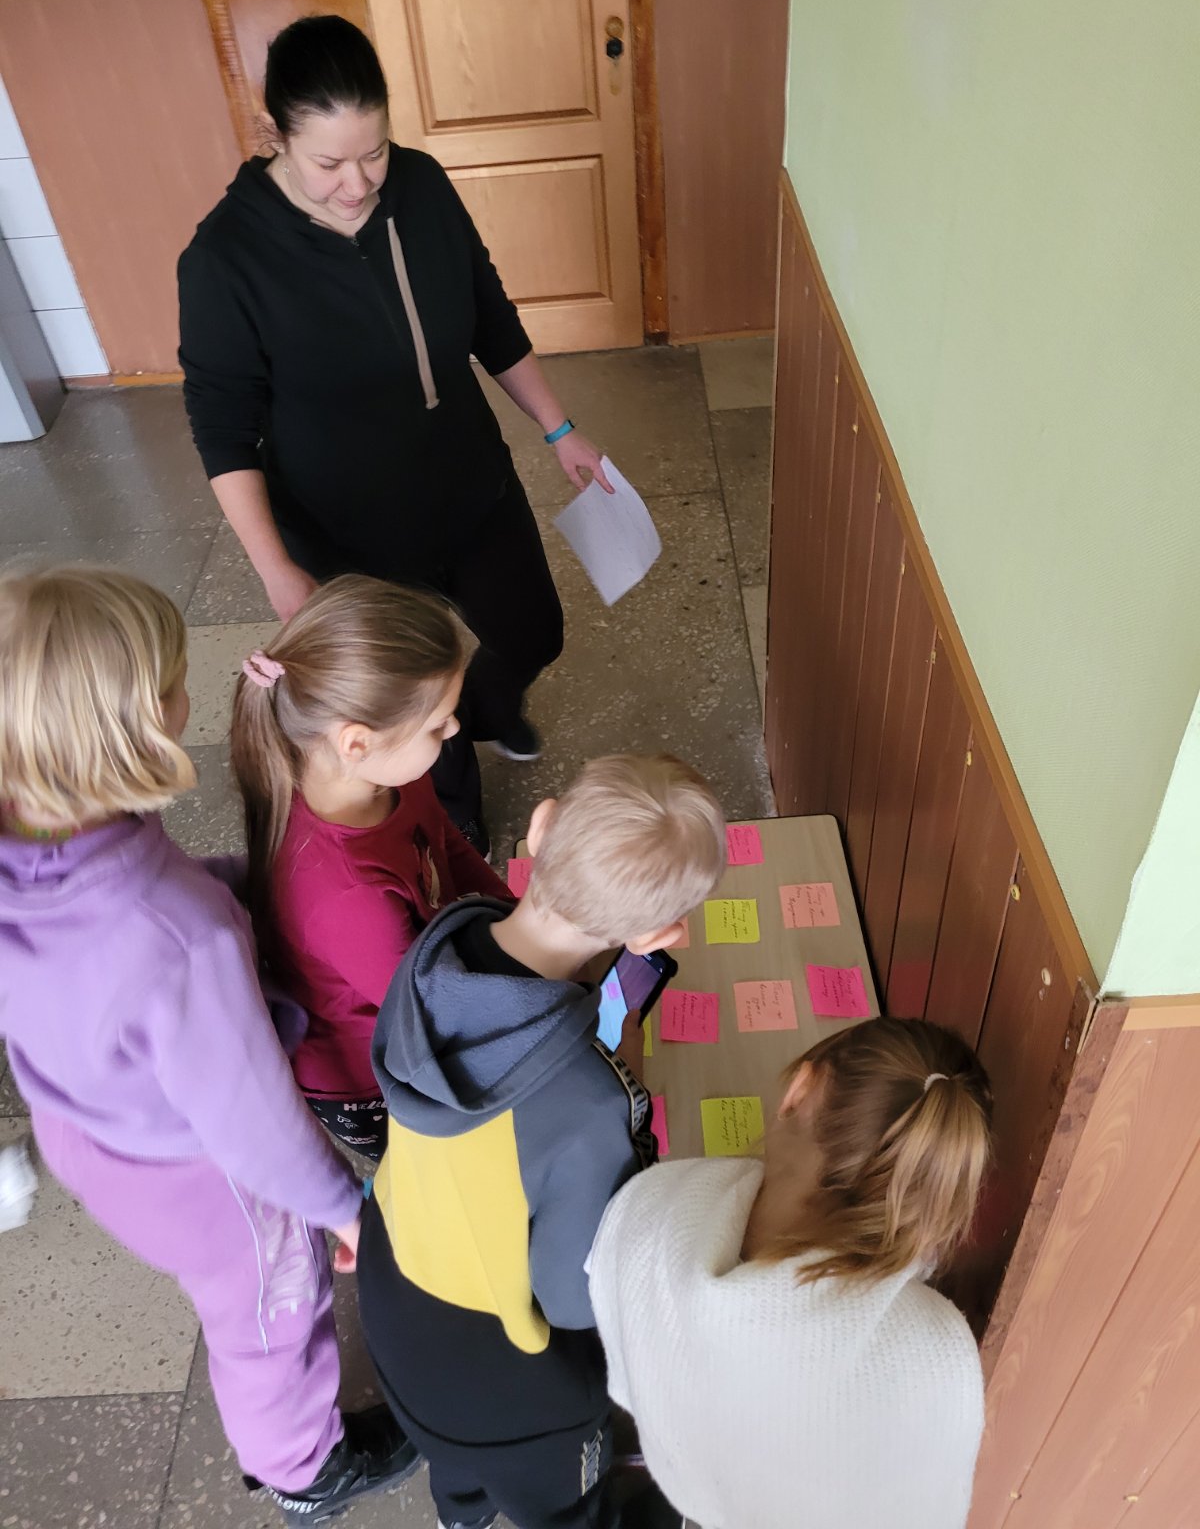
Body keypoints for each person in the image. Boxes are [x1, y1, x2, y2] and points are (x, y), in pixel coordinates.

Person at [0, 566, 419, 1527]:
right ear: (139, 729)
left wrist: (241, 885)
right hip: (198, 1174)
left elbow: (119, 910)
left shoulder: (33, 825)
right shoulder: (180, 941)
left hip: (79, 1117)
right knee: (267, 1312)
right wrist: (340, 1209)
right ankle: (303, 1469)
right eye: (177, 682)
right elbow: (254, 1127)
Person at [178, 12, 613, 853]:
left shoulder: (421, 185)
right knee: (407, 699)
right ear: (274, 132)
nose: (357, 183)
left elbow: (489, 315)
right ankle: (454, 813)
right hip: (349, 529)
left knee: (533, 633)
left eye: (373, 153)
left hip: (469, 482)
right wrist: (279, 572)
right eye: (328, 163)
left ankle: (483, 709)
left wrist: (559, 426)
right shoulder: (225, 259)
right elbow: (222, 429)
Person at [356, 754, 727, 1529]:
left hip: (396, 1298)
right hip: (507, 1386)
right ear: (655, 935)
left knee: (460, 1465)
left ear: (541, 826)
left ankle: (459, 1514)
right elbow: (570, 1297)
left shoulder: (436, 955)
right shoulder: (590, 1108)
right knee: (566, 1508)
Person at [588, 1017, 994, 1529]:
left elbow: (626, 1373)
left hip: (690, 1487)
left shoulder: (651, 1205)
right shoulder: (937, 1353)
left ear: (798, 1090)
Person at [229, 574, 512, 1162]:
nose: (454, 730)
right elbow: (429, 1017)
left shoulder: (387, 775)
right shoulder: (347, 896)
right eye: (438, 723)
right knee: (434, 1169)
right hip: (371, 1078)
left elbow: (444, 844)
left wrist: (513, 911)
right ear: (356, 742)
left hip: (421, 988)